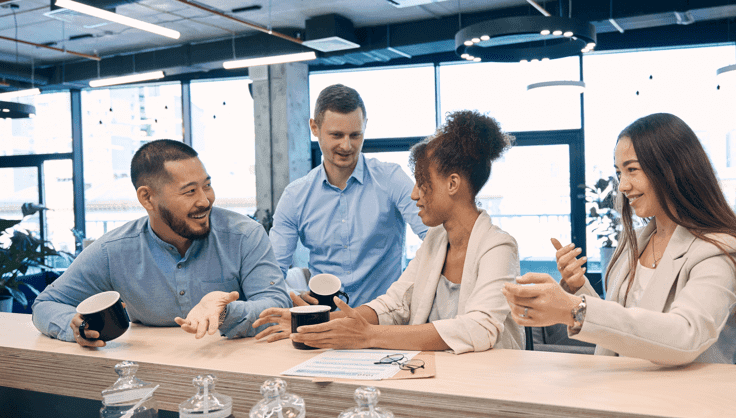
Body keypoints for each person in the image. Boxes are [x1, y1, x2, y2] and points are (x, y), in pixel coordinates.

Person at [254, 111, 524, 353]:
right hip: (437, 377)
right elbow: (395, 303)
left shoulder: (498, 247)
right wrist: (315, 320)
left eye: (423, 183)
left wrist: (369, 336)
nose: (414, 194)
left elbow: (478, 328)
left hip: (488, 385)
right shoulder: (435, 241)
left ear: (452, 184)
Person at [502, 113, 736, 365]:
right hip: (623, 394)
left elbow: (686, 335)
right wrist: (578, 288)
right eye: (619, 173)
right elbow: (623, 328)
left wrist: (574, 309)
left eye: (632, 170)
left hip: (684, 403)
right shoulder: (635, 242)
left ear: (673, 169)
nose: (622, 186)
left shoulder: (722, 250)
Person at [32, 139, 291, 347]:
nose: (205, 200)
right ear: (147, 198)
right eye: (190, 191)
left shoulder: (245, 235)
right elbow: (46, 304)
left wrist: (224, 312)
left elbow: (277, 304)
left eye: (207, 185)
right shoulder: (113, 250)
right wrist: (74, 326)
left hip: (236, 361)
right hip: (150, 368)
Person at [269, 84, 427, 307]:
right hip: (324, 321)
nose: (347, 145)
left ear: (365, 127)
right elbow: (271, 274)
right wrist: (293, 295)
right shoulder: (295, 197)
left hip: (385, 321)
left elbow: (434, 236)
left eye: (355, 135)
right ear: (314, 127)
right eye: (336, 135)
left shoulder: (391, 179)